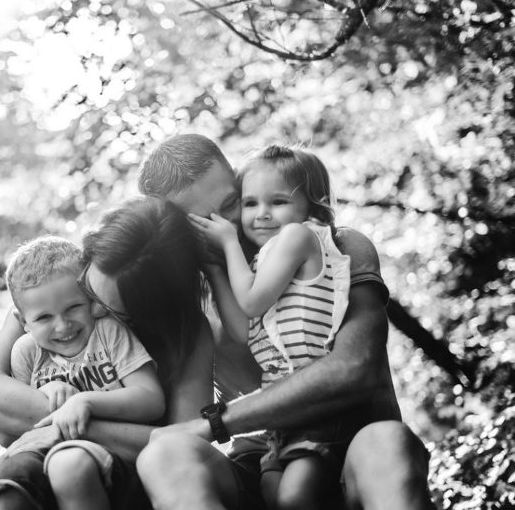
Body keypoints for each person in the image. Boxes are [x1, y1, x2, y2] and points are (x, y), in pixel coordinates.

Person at [134, 133, 434, 510]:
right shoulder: (190, 299)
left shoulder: (335, 247)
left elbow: (355, 368)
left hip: (350, 446)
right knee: (164, 456)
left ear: (238, 177)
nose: (226, 222)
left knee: (387, 443)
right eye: (199, 222)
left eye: (230, 202)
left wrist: (215, 423)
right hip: (258, 464)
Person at [0, 196, 213, 510]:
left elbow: (186, 440)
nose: (91, 310)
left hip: (113, 465)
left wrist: (77, 419)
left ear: (146, 310)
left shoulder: (181, 332)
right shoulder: (50, 294)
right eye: (90, 289)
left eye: (107, 307)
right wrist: (52, 403)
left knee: (69, 466)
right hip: (36, 457)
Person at [188, 145, 353, 509]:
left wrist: (229, 243)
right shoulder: (266, 258)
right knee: (272, 494)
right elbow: (245, 330)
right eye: (250, 204)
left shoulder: (299, 237)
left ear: (310, 204)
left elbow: (250, 301)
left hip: (315, 406)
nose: (261, 215)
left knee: (295, 497)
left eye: (277, 202)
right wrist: (216, 266)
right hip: (282, 415)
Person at [0, 236, 165, 510]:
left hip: (104, 454)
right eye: (44, 317)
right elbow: (8, 436)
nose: (63, 325)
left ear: (91, 299)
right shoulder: (26, 352)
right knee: (5, 483)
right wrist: (42, 394)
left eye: (73, 307)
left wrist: (84, 401)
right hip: (35, 453)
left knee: (68, 464)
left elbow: (151, 400)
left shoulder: (108, 332)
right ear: (23, 322)